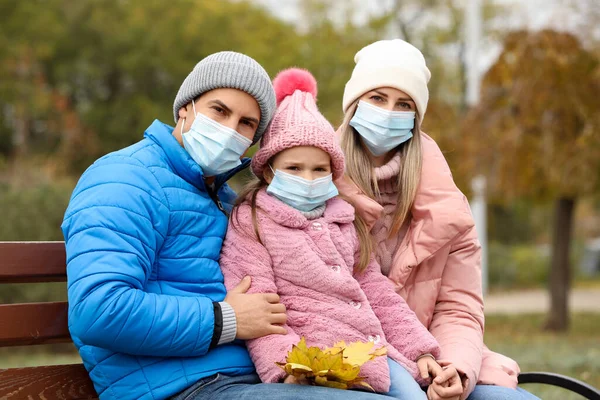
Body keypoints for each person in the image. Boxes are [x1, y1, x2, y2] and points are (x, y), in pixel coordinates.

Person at [61, 51, 392, 400]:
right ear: (185, 107)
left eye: (246, 123)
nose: (229, 129)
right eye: (219, 110)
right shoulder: (125, 178)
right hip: (180, 386)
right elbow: (98, 310)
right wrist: (225, 319)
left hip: (253, 377)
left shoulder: (226, 199)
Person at [219, 68, 455, 399]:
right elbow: (259, 307)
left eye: (319, 169)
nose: (308, 178)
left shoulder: (344, 219)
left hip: (373, 354)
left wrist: (421, 351)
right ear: (269, 172)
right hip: (315, 364)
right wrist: (287, 367)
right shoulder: (252, 223)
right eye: (294, 168)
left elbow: (378, 293)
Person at [335, 39, 541, 400]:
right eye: (377, 98)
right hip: (350, 360)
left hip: (435, 358)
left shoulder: (449, 209)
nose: (388, 113)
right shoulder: (312, 182)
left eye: (404, 105)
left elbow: (459, 307)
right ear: (354, 105)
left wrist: (455, 369)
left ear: (415, 118)